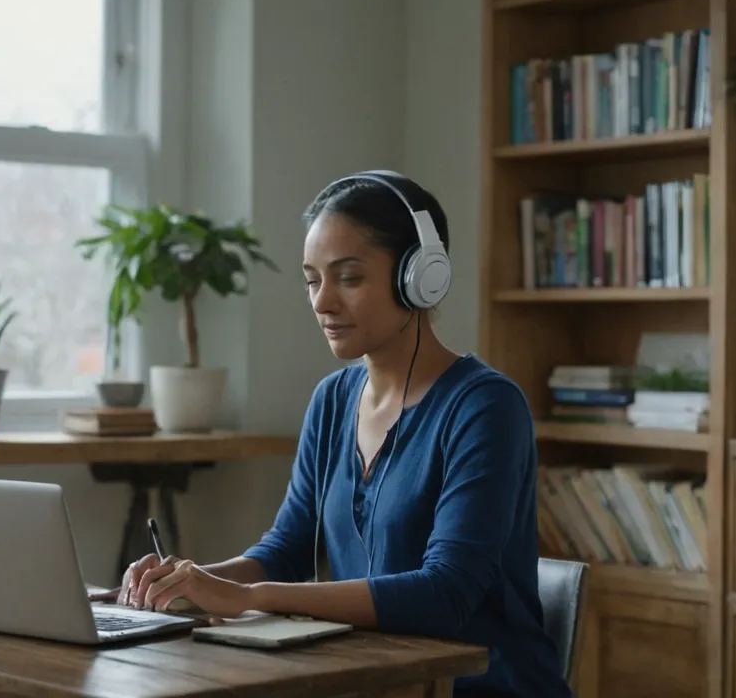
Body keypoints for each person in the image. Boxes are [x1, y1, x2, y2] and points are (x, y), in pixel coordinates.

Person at [119, 171, 572, 697]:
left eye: (348, 278)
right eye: (312, 279)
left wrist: (251, 598)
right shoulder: (333, 400)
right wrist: (187, 582)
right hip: (370, 682)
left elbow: (447, 593)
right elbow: (287, 550)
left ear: (420, 276)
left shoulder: (486, 407)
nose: (321, 301)